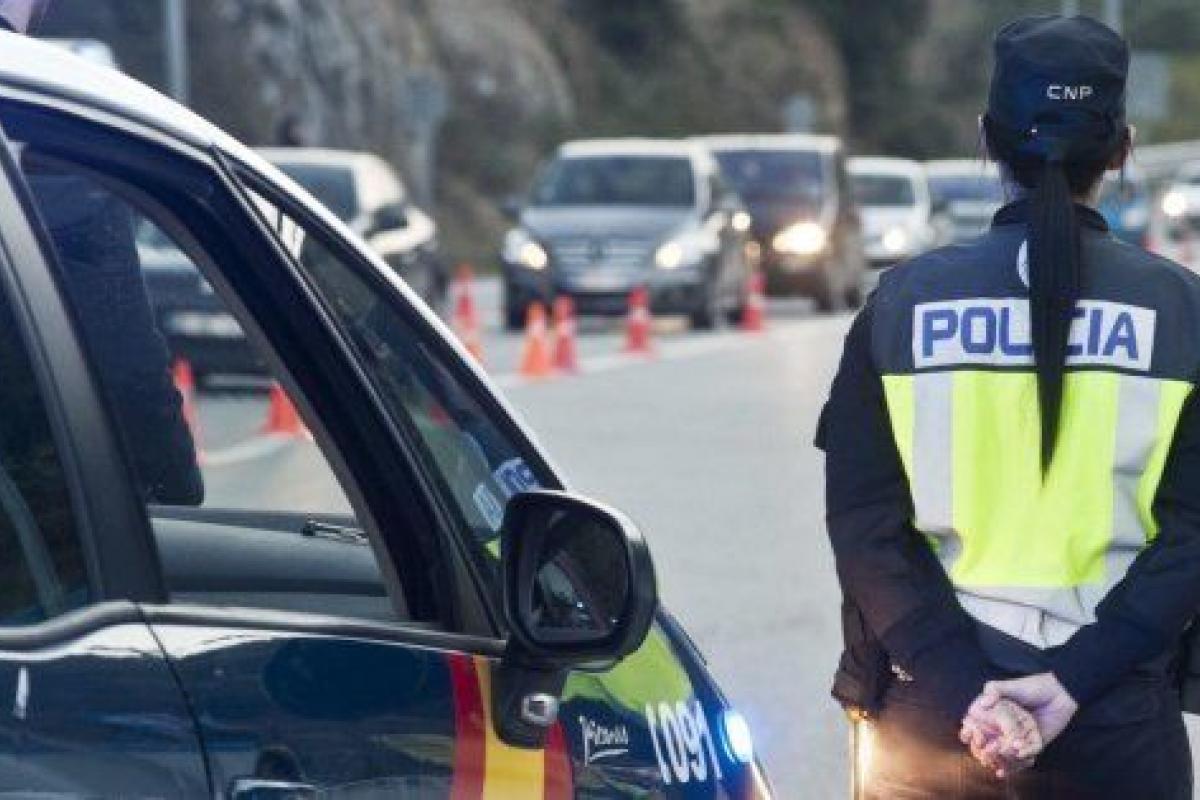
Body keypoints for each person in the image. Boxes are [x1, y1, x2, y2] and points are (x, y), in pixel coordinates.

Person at [819, 14, 1200, 798]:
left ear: (986, 140)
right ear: (1122, 150)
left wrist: (970, 693)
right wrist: (1070, 683)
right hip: (1117, 718)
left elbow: (864, 526)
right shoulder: (1182, 311)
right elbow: (1193, 534)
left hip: (931, 725)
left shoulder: (900, 305)